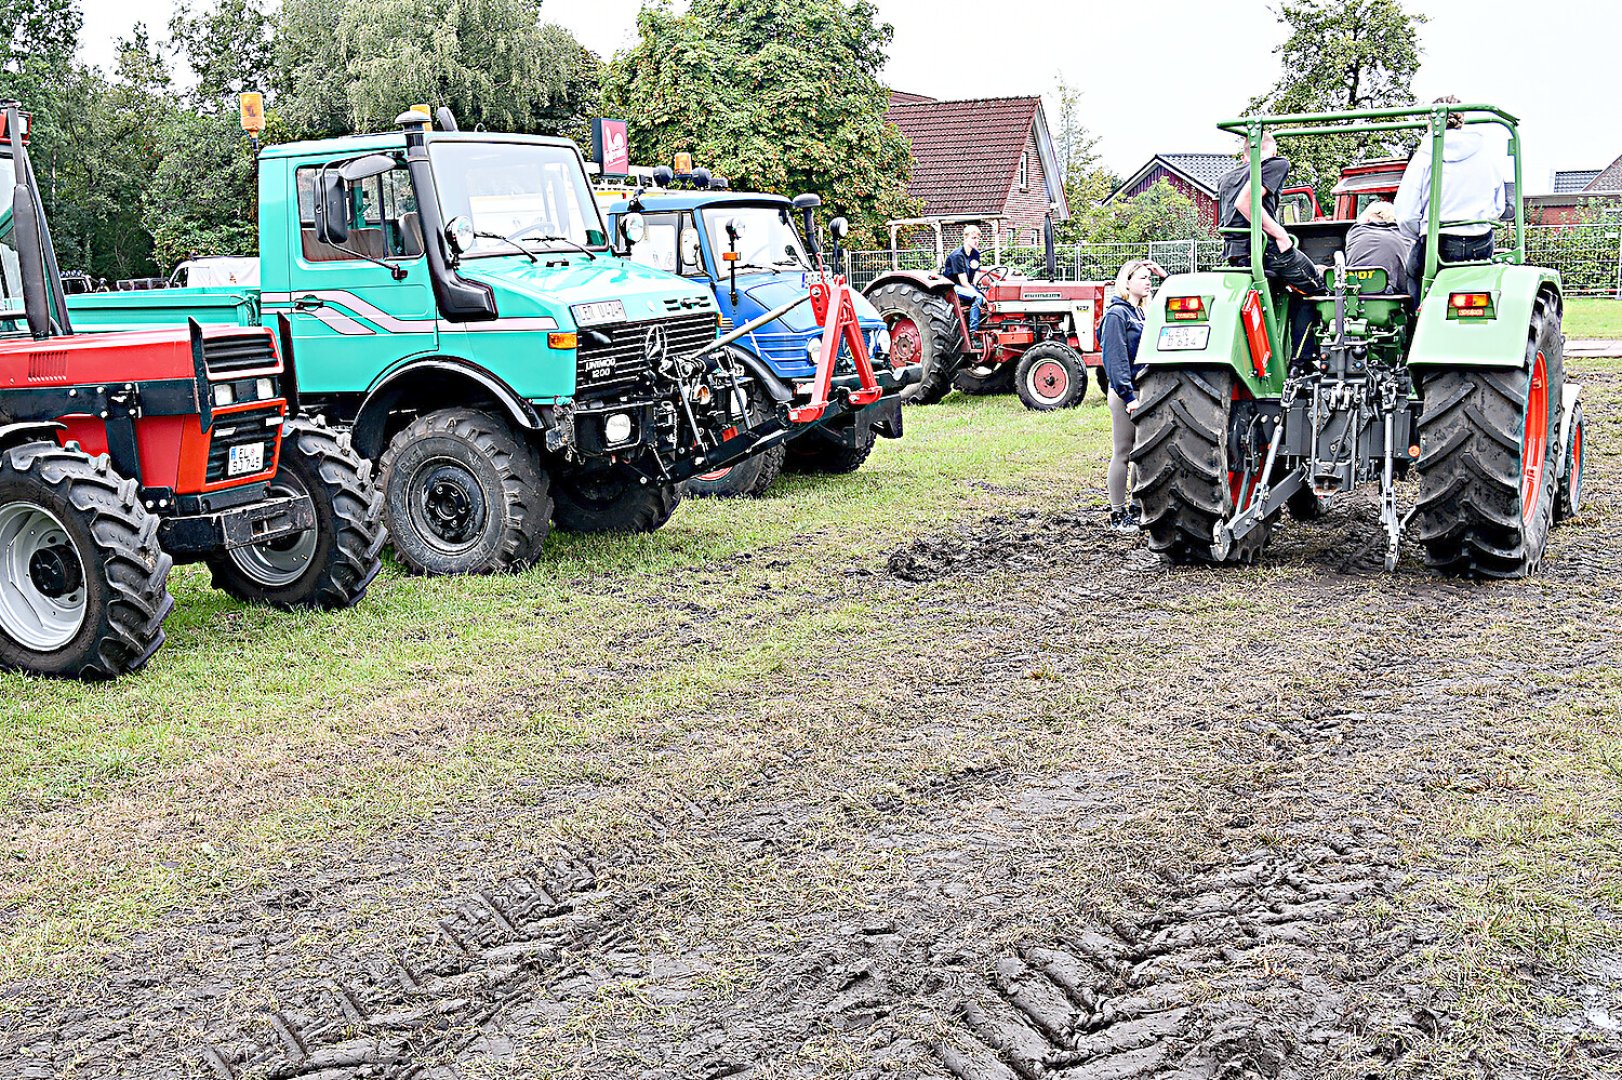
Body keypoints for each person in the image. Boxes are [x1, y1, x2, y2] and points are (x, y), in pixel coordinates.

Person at [1215, 132, 1326, 365]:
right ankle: (1302, 363)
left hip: (1236, 255)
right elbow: (1244, 203)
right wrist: (1279, 233)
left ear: (1245, 155)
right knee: (1316, 287)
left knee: (1295, 286)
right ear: (1273, 151)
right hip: (1266, 253)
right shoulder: (1276, 164)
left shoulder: (1227, 177)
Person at [1394, 97, 1505, 307]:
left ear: (1431, 121)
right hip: (1480, 241)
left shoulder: (1424, 156)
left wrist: (1419, 232)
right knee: (1480, 286)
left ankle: (1420, 320)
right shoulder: (1485, 155)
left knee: (1414, 273)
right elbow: (1498, 206)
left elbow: (1406, 213)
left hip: (1439, 243)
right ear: (1462, 120)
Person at [1100, 258, 1166, 534]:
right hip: (1127, 393)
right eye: (1141, 278)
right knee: (1123, 452)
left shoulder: (1142, 312)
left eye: (1149, 278)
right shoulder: (1117, 315)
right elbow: (1114, 360)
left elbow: (1173, 301)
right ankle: (1117, 513)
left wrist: (1164, 274)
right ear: (1126, 283)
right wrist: (1128, 398)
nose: (1148, 282)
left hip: (1145, 390)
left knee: (1142, 452)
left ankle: (1138, 507)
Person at [1344, 200, 1411, 296]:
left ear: (1367, 219)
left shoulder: (1355, 232)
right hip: (1395, 297)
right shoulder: (1405, 236)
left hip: (1356, 293)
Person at [941, 225, 988, 332]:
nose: (976, 241)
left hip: (965, 285)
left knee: (988, 296)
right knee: (978, 298)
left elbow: (976, 272)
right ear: (966, 238)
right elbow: (964, 282)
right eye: (973, 238)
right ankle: (973, 332)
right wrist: (979, 294)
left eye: (978, 238)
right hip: (952, 286)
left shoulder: (975, 253)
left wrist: (978, 287)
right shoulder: (958, 256)